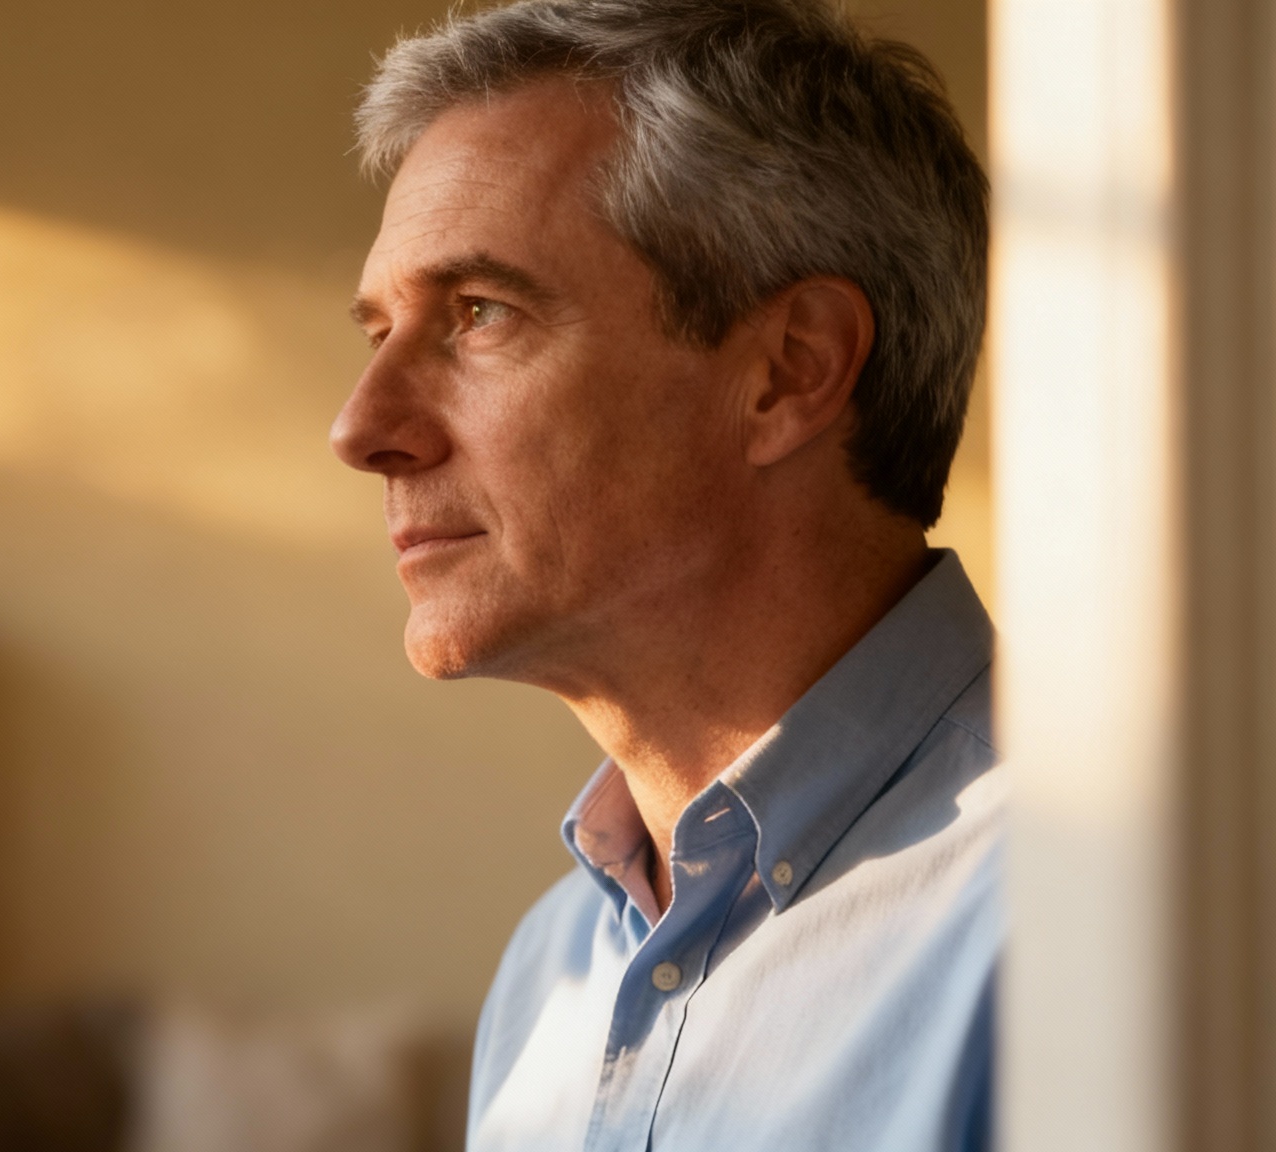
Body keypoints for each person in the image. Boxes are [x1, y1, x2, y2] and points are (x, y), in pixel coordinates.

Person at [330, 1, 995, 1149]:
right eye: (377, 330)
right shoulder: (551, 970)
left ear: (787, 373)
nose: (361, 427)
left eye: (477, 314)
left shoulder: (1115, 914)